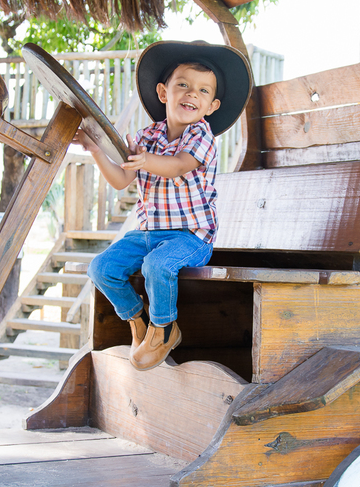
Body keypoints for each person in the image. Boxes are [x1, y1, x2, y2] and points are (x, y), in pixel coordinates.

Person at [73, 40, 253, 370]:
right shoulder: (147, 137)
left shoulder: (202, 135)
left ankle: (166, 328)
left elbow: (179, 166)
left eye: (202, 90)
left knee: (157, 266)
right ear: (163, 92)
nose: (191, 94)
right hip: (148, 233)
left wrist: (144, 160)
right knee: (101, 268)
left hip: (191, 237)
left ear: (211, 105)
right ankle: (137, 319)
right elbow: (121, 179)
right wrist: (97, 149)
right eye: (182, 85)